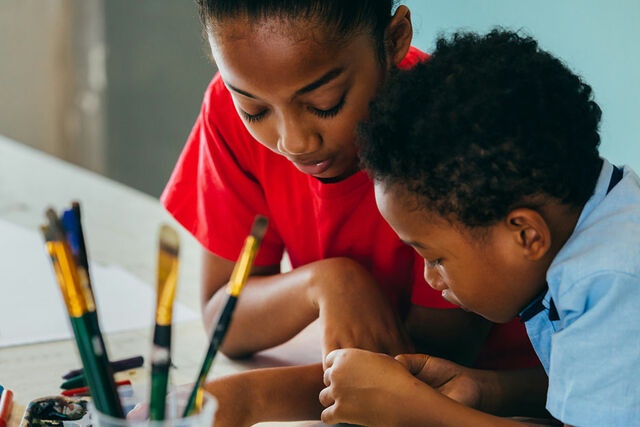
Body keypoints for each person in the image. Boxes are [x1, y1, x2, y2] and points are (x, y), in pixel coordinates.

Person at [320, 29, 640, 426]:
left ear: (525, 235)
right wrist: (485, 389)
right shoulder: (609, 205)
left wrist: (420, 413)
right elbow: (605, 389)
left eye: (435, 257)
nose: (429, 277)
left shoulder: (609, 280)